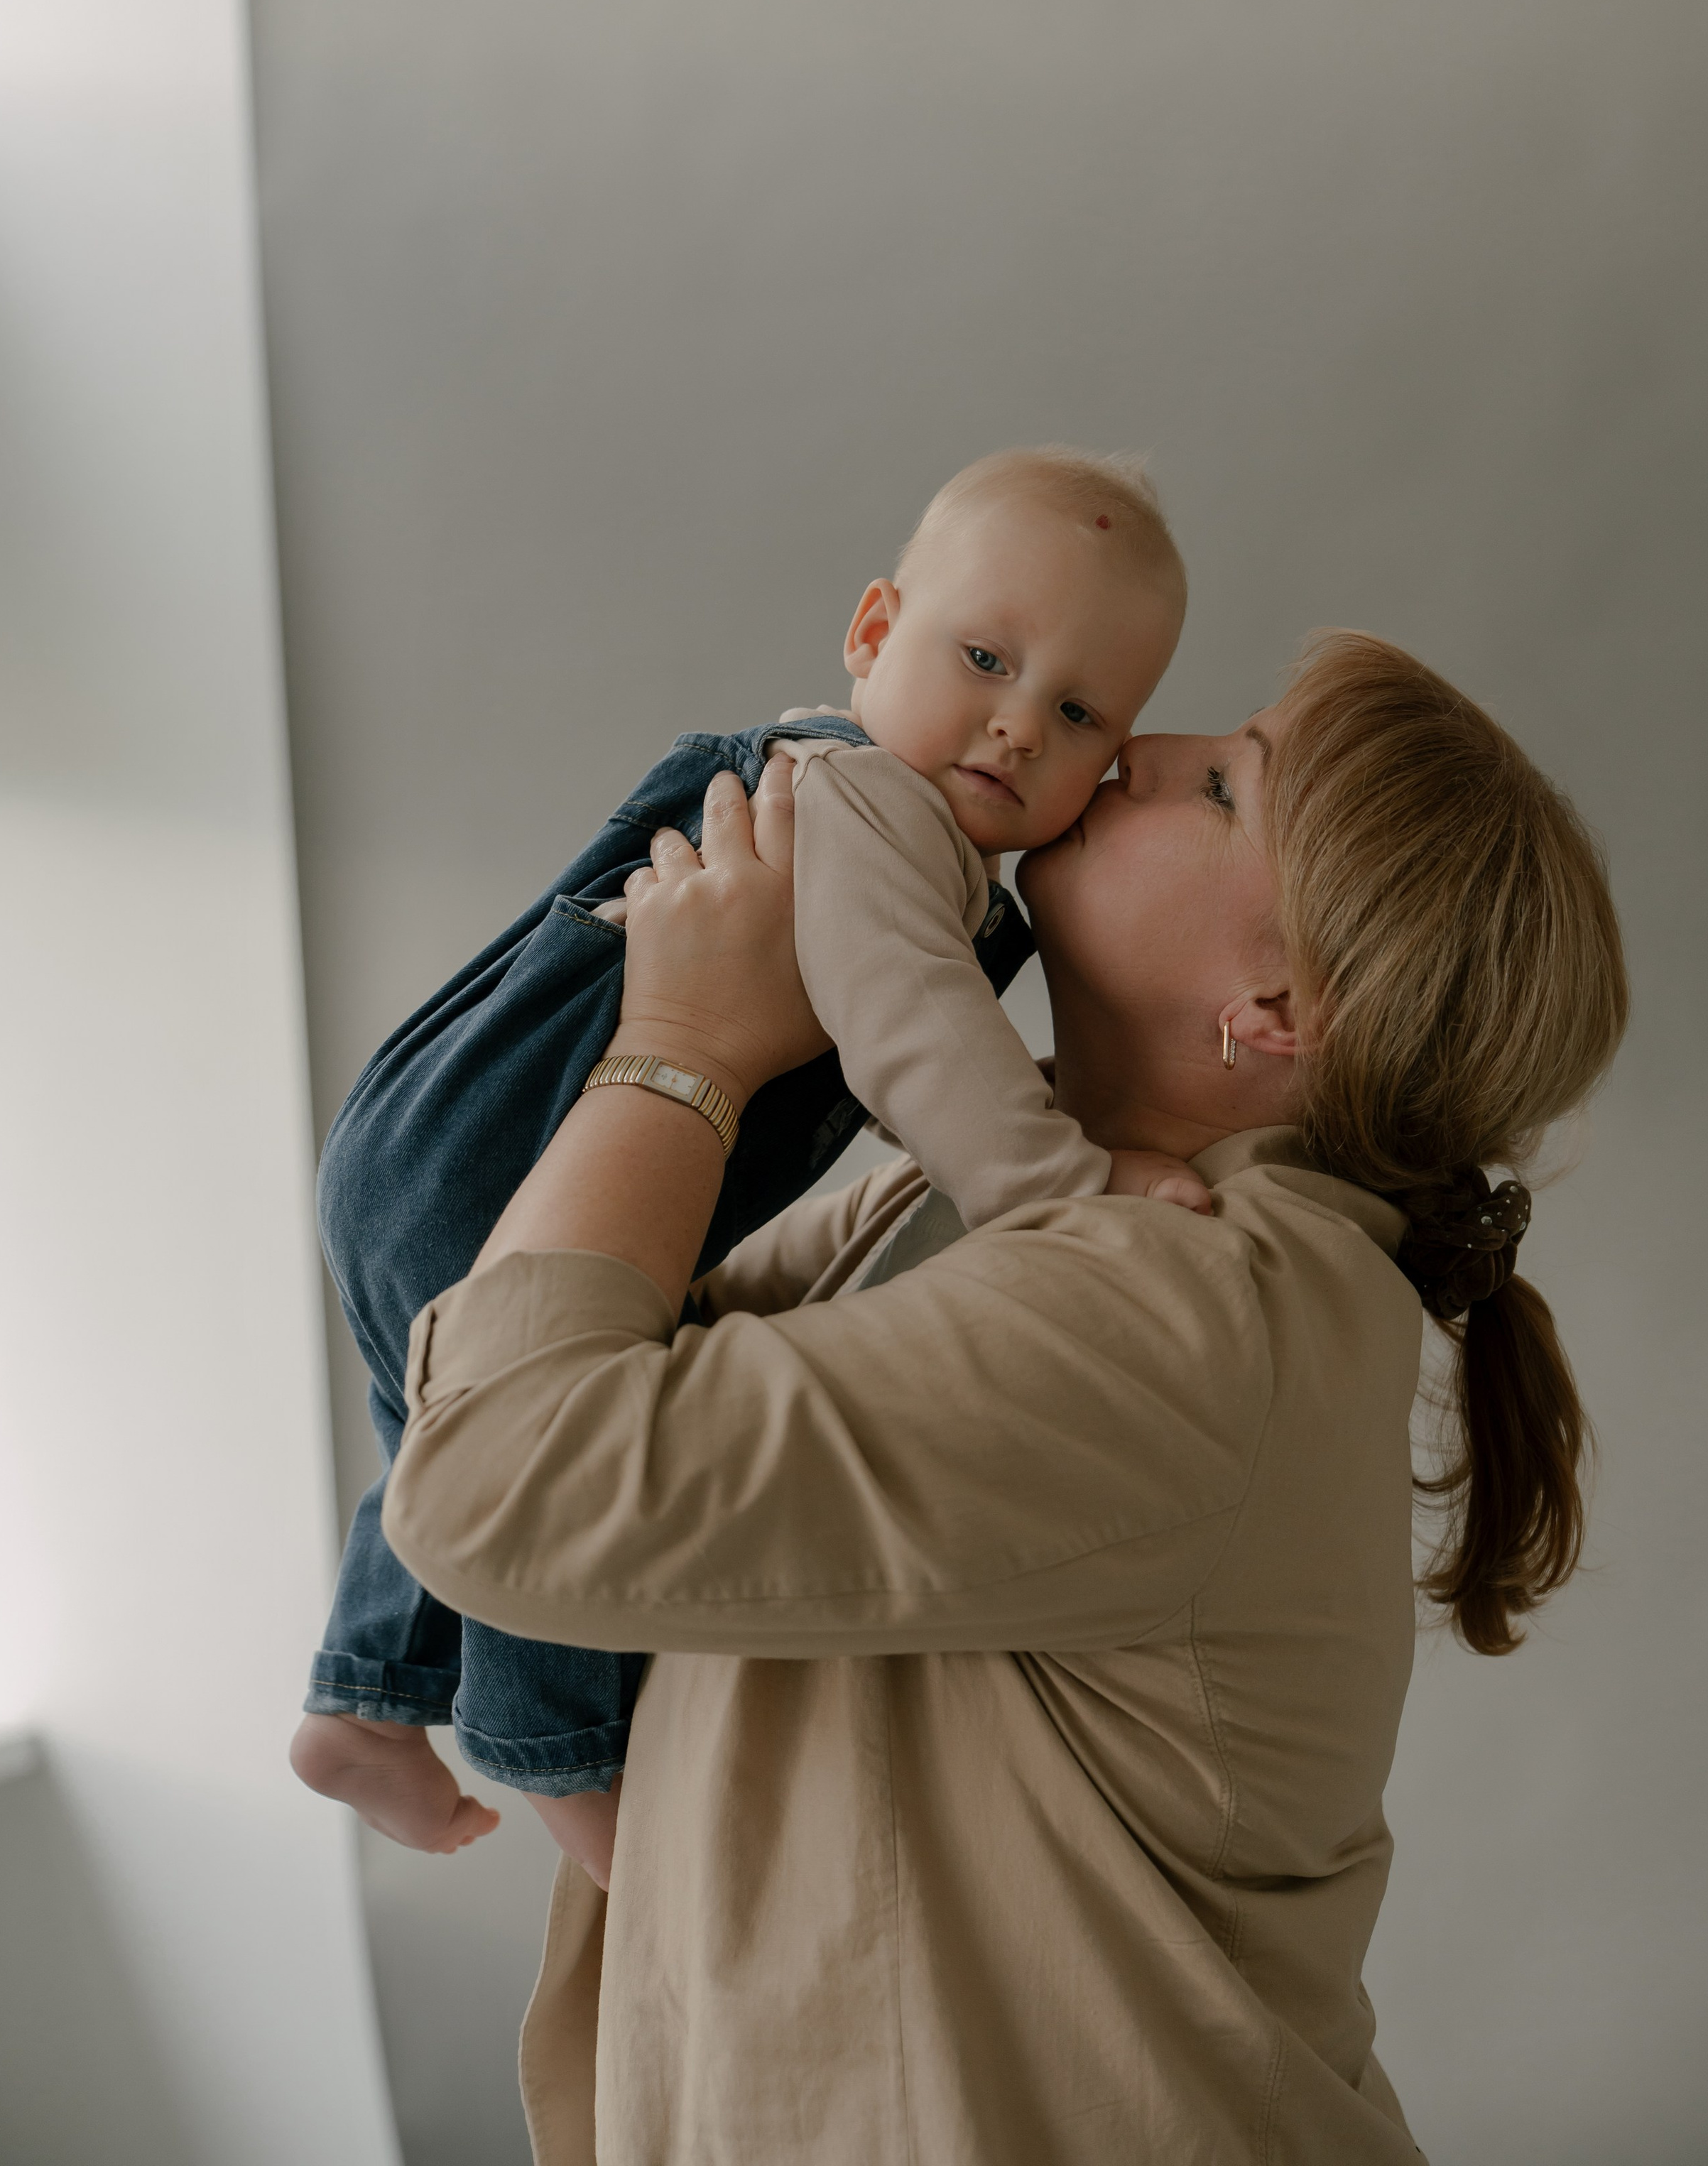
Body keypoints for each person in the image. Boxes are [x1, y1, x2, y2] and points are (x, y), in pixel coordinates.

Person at [381, 628, 1627, 2166]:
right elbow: (551, 1346)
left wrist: (684, 1044)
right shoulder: (996, 1203)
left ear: (1278, 1013)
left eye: (1227, 788)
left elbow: (501, 1478)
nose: (1143, 750)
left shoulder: (1180, 1314)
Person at [291, 447, 1202, 1874]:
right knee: (547, 1483)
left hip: (415, 1144)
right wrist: (1065, 1193)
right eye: (983, 657)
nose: (1018, 726)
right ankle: (586, 1801)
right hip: (494, 1170)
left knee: (437, 1407)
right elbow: (911, 1040)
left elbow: (903, 1050)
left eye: (1078, 710)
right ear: (870, 633)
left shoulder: (838, 801)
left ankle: (361, 1703)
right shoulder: (869, 810)